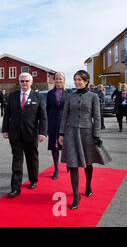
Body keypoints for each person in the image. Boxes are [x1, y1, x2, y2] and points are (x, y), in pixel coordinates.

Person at [59, 70, 112, 210]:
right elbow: (65, 115)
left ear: (86, 81)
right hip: (71, 132)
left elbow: (97, 117)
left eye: (79, 80)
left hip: (87, 132)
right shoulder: (70, 96)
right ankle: (76, 195)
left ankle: (88, 184)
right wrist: (61, 133)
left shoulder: (93, 96)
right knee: (73, 163)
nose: (77, 82)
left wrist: (97, 135)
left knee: (88, 163)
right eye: (75, 79)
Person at [2, 73, 48, 198]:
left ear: (31, 82)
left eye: (26, 81)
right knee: (17, 160)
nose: (24, 83)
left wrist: (43, 133)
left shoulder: (38, 97)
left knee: (31, 158)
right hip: (15, 133)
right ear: (19, 82)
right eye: (22, 81)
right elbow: (7, 114)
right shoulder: (12, 96)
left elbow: (43, 117)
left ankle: (33, 180)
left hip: (31, 133)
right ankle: (15, 188)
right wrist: (5, 130)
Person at [46, 72, 71, 180]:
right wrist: (46, 124)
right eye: (56, 79)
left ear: (64, 80)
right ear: (54, 80)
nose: (58, 81)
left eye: (60, 79)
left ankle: (69, 163)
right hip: (53, 122)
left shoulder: (69, 92)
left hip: (66, 123)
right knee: (54, 146)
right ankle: (56, 167)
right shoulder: (50, 93)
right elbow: (47, 109)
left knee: (67, 145)